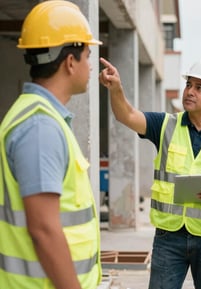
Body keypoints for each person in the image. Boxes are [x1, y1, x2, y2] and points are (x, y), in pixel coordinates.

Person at [99, 56, 201, 289]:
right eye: (189, 85)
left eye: (199, 88)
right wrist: (116, 88)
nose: (190, 91)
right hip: (169, 237)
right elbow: (126, 115)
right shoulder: (165, 125)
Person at [0, 1, 102, 289]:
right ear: (70, 62)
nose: (91, 64)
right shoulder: (40, 127)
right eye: (87, 55)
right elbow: (43, 229)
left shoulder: (40, 118)